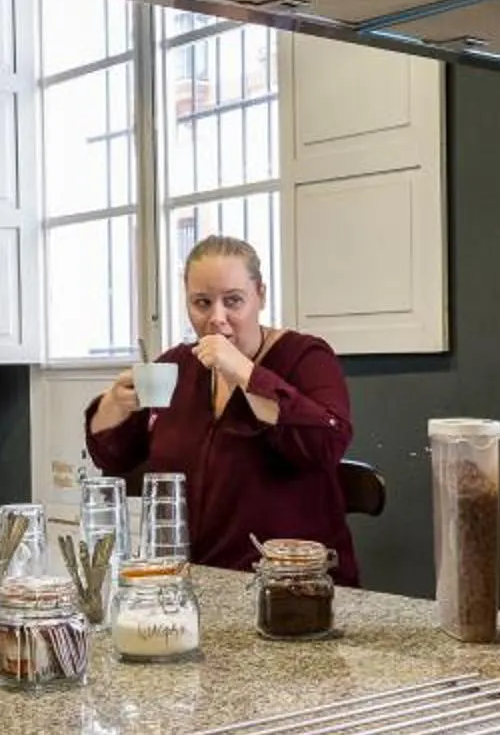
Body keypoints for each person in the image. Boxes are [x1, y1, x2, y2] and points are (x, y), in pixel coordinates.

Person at [85, 236, 360, 582]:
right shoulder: (176, 366)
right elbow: (112, 456)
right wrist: (115, 403)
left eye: (233, 301)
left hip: (293, 586)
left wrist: (245, 373)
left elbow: (327, 443)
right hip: (187, 581)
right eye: (202, 302)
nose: (217, 318)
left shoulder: (306, 357)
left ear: (260, 294)